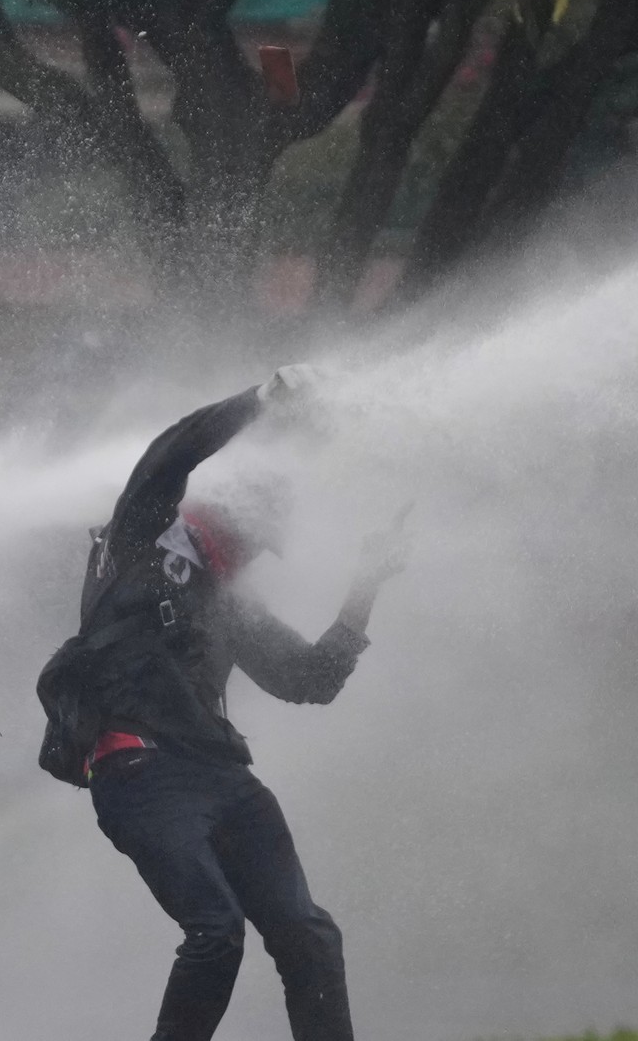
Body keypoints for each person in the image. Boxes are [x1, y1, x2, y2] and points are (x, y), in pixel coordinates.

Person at [75, 365, 407, 1041]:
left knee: (309, 936)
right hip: (139, 773)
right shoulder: (135, 540)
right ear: (226, 506)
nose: (258, 550)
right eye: (255, 533)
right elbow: (175, 447)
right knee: (216, 931)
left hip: (221, 778)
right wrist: (261, 401)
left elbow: (313, 677)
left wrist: (368, 579)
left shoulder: (229, 602)